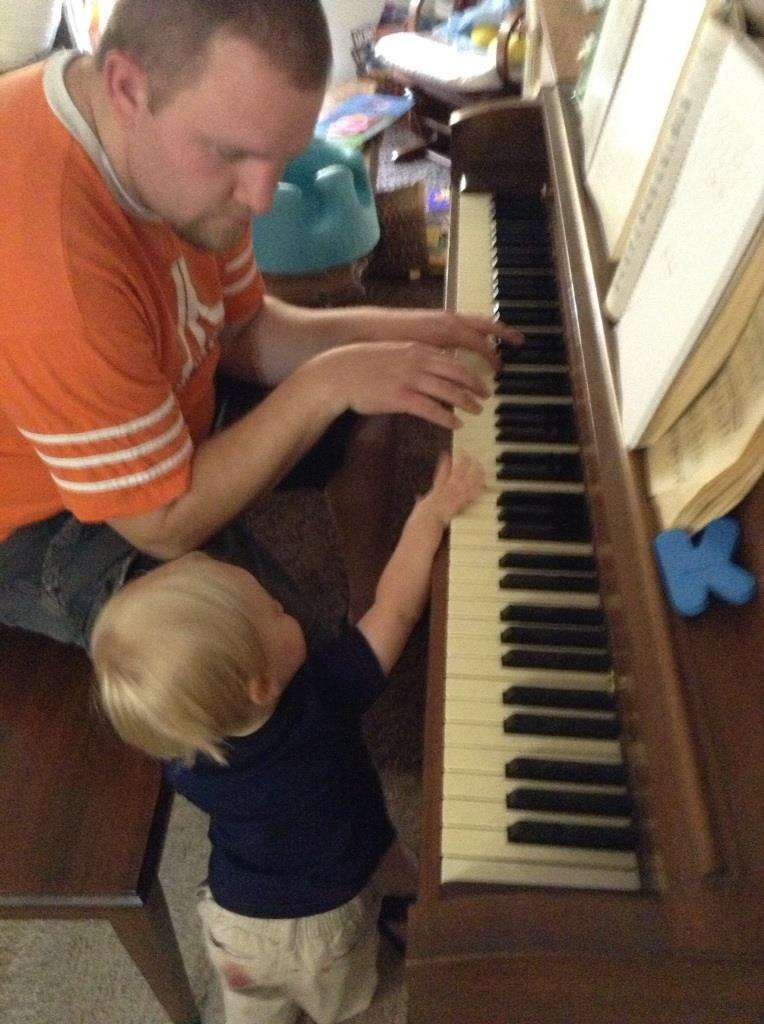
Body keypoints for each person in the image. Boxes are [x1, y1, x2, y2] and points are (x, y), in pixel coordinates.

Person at [0, 0, 520, 650]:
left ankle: (370, 600)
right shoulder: (45, 259)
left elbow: (243, 331)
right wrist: (326, 381)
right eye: (232, 155)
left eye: (282, 156)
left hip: (164, 421)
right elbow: (163, 522)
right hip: (47, 518)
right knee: (276, 664)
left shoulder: (190, 166)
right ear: (127, 89)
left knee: (374, 396)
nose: (263, 197)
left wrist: (403, 330)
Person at [91, 449, 485, 1024]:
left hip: (234, 923)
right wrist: (428, 517)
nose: (285, 608)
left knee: (253, 1007)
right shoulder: (323, 699)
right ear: (261, 685)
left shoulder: (184, 751)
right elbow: (395, 611)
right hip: (323, 922)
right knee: (341, 994)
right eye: (275, 611)